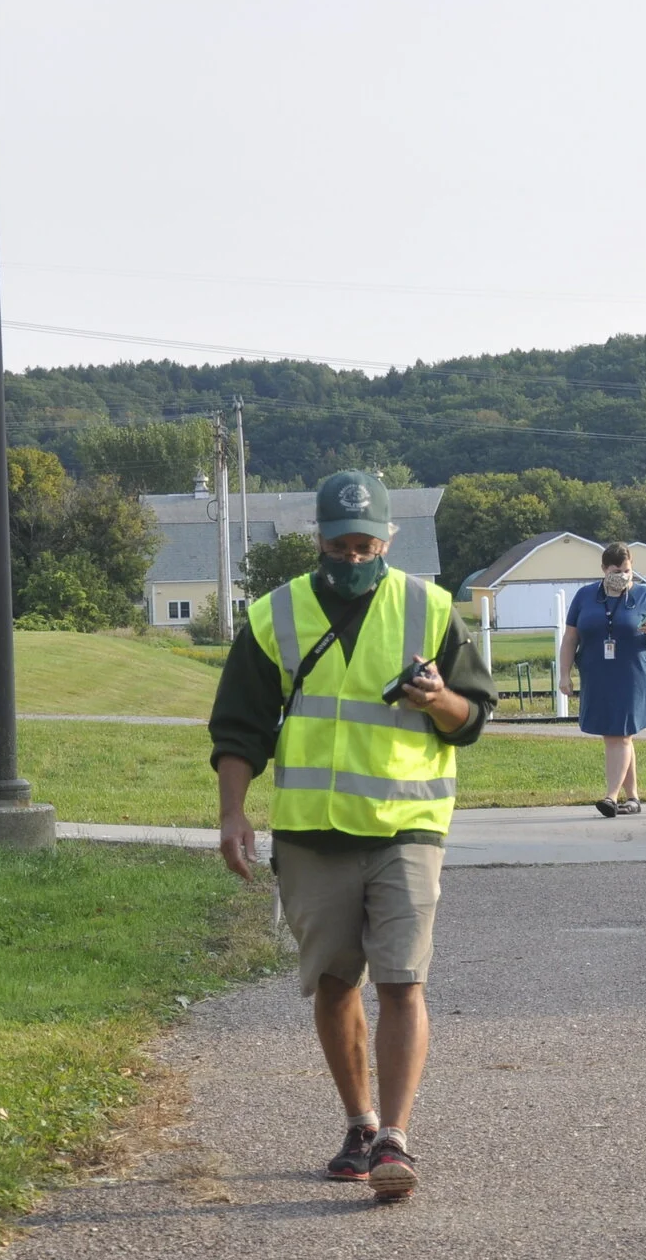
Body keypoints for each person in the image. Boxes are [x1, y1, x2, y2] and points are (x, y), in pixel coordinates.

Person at [208, 470, 496, 1201]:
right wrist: (232, 812)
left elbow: (474, 719)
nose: (352, 558)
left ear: (389, 540)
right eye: (339, 545)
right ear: (319, 541)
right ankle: (360, 1123)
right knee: (334, 984)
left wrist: (439, 700)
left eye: (366, 544)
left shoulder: (428, 608)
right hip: (311, 832)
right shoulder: (277, 615)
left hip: (408, 825)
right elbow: (239, 726)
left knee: (403, 979)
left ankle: (396, 1140)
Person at [558, 542, 646, 817]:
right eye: (616, 570)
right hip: (598, 673)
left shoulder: (643, 595)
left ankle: (610, 796)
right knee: (620, 734)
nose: (623, 575)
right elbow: (570, 637)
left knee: (618, 734)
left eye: (627, 570)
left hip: (633, 673)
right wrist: (564, 674)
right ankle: (632, 798)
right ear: (604, 569)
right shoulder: (585, 596)